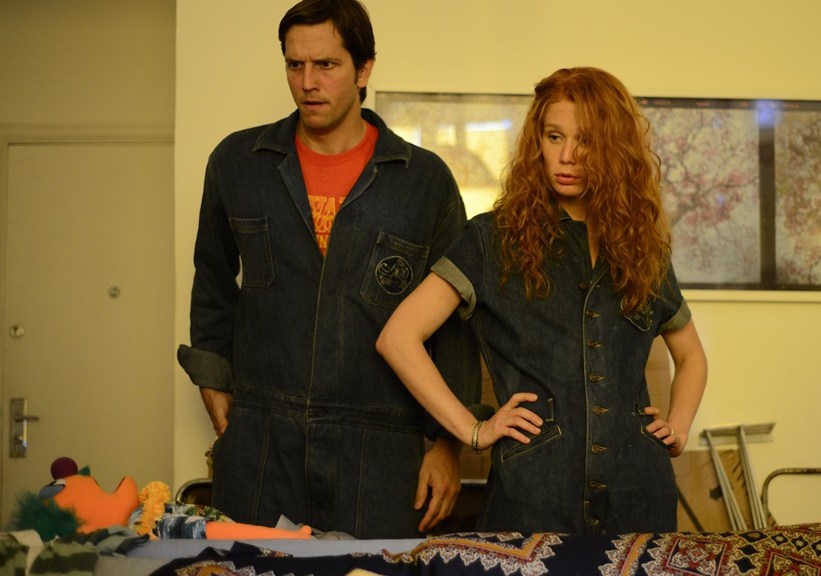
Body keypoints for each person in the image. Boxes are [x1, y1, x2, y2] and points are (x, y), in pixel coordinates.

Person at [176, 0, 482, 538]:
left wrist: (447, 444)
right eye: (295, 65)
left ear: (364, 69)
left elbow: (453, 326)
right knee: (249, 572)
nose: (307, 82)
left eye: (326, 65)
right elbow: (213, 281)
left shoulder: (423, 182)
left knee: (371, 573)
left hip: (380, 447)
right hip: (262, 441)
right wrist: (211, 377)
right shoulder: (238, 164)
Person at [377, 67, 708, 534]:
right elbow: (397, 338)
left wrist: (679, 423)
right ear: (538, 141)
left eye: (585, 141)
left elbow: (691, 356)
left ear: (614, 148)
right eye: (554, 137)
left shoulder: (641, 247)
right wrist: (474, 431)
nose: (567, 156)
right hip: (533, 499)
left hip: (641, 498)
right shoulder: (491, 239)